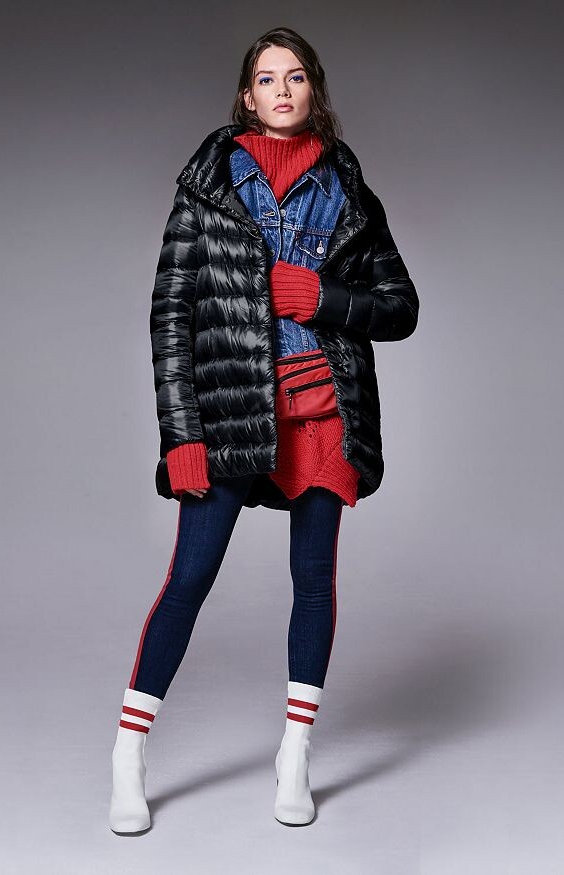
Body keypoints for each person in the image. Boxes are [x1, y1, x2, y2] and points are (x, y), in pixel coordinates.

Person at [109, 26, 419, 833]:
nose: (283, 90)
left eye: (296, 76)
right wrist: (181, 433)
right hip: (230, 410)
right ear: (247, 97)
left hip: (323, 410)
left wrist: (323, 299)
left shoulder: (347, 188)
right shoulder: (209, 186)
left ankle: (296, 752)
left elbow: (401, 308)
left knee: (313, 577)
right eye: (267, 78)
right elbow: (170, 316)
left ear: (314, 89)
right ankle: (129, 754)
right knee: (191, 575)